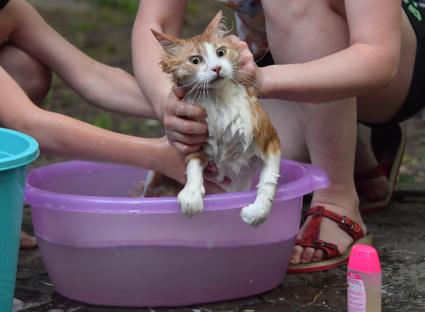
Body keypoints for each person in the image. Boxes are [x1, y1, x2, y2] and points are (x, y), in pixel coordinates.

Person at [132, 0, 423, 272]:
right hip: (278, 60)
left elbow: (380, 56)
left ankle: (336, 196)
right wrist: (169, 103)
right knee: (231, 166)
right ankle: (356, 149)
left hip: (391, 62)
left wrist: (263, 81)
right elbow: (156, 23)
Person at [0, 0, 197, 248]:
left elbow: (91, 74)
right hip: (26, 120)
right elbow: (27, 123)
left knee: (24, 69)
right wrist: (157, 155)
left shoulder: (9, 10)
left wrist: (183, 107)